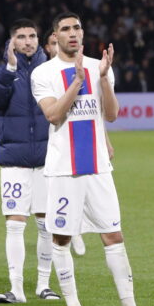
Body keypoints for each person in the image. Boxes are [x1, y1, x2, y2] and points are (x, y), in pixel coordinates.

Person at [31, 12, 154, 306]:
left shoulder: (97, 66)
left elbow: (111, 115)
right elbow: (53, 115)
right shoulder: (44, 73)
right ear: (56, 36)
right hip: (64, 171)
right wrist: (76, 82)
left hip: (99, 169)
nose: (72, 33)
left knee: (113, 235)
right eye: (65, 29)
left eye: (76, 28)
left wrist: (102, 78)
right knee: (60, 238)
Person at [0, 19, 61, 304]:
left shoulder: (51, 71)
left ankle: (43, 285)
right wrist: (11, 69)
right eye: (21, 37)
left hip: (46, 161)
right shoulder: (1, 72)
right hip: (14, 162)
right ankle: (16, 289)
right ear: (12, 42)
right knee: (15, 224)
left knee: (45, 225)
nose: (28, 41)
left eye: (32, 36)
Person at [44, 31, 88, 257]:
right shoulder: (43, 74)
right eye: (51, 43)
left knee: (69, 196)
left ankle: (75, 230)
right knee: (46, 209)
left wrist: (106, 141)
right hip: (43, 145)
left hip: (65, 143)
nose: (54, 47)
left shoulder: (72, 70)